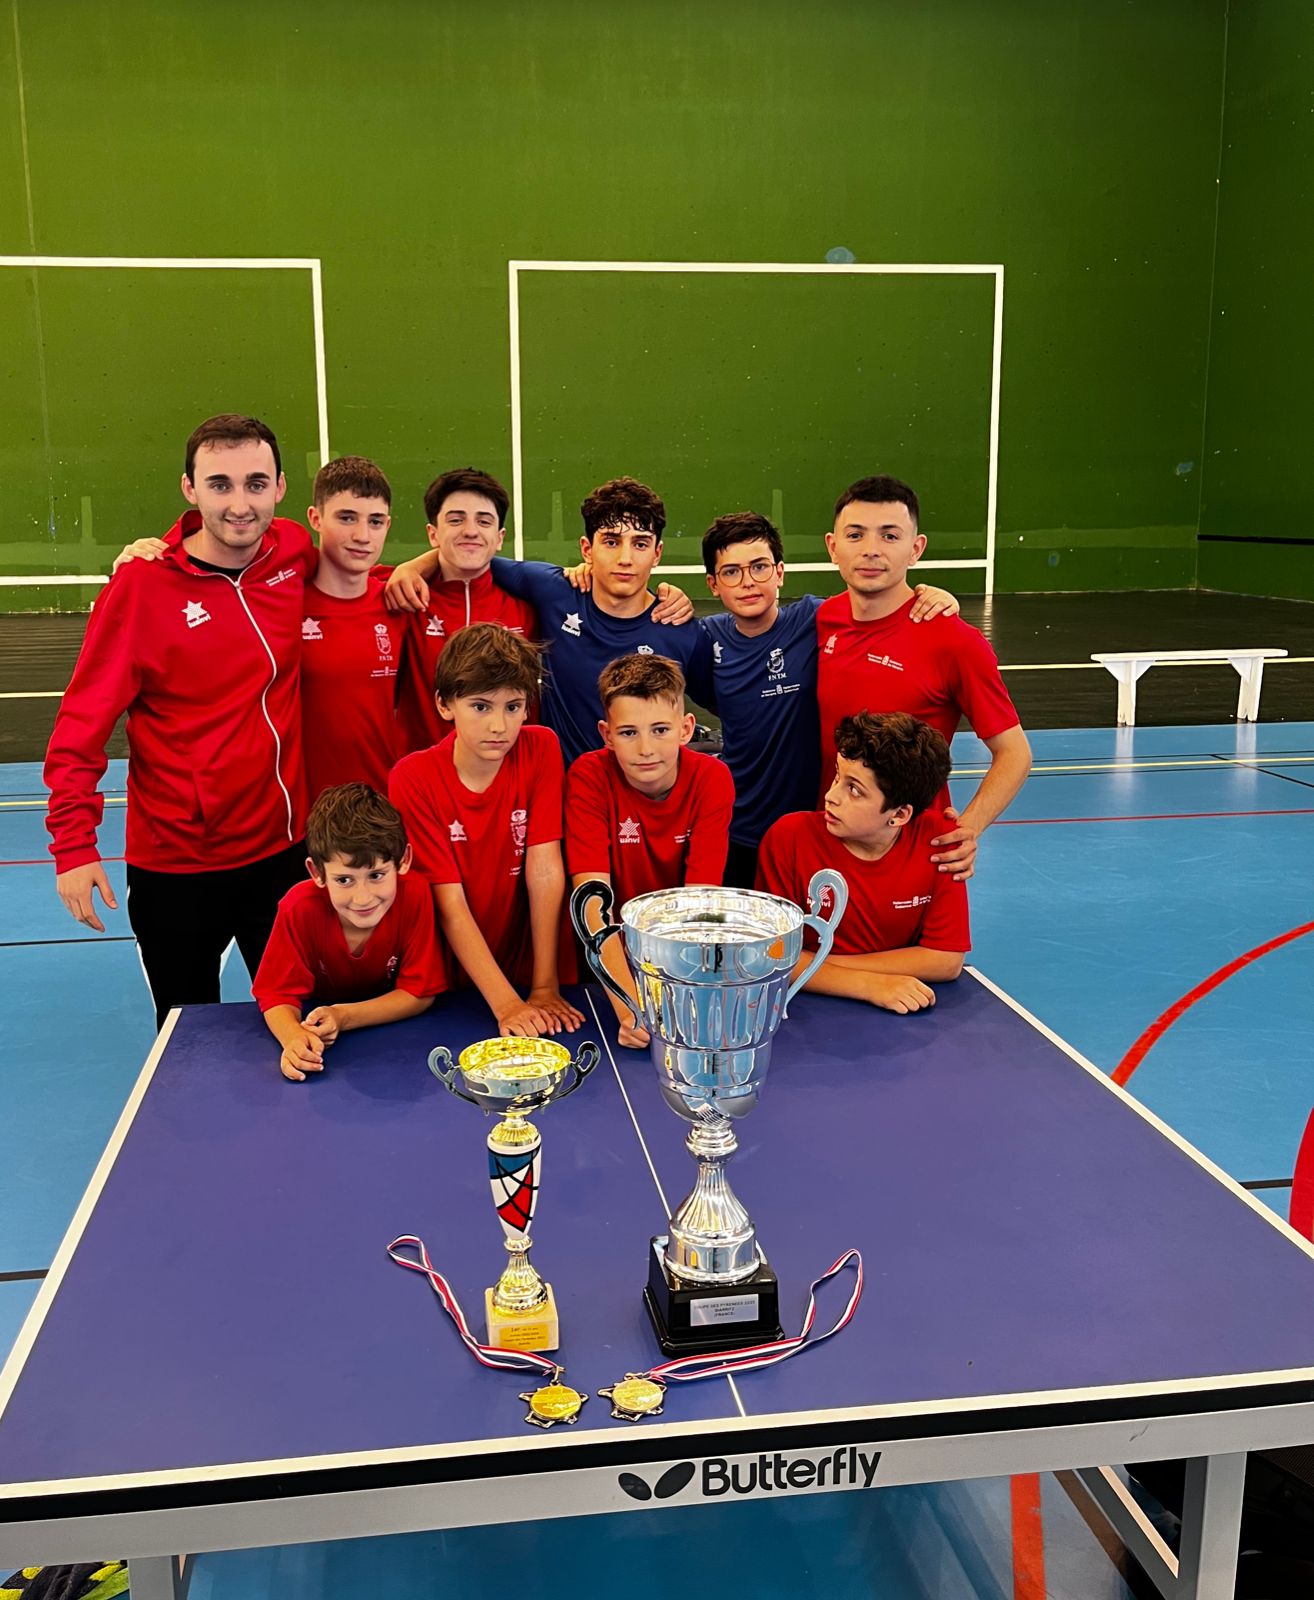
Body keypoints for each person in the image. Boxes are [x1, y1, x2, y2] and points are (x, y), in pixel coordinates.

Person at [44, 414, 313, 1030]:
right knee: (187, 1039)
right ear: (190, 490)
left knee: (305, 1024)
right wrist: (74, 847)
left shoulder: (292, 551)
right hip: (178, 868)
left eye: (255, 483)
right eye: (220, 484)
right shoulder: (141, 588)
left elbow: (364, 571)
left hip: (282, 856)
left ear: (279, 489)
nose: (239, 504)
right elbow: (80, 727)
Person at [700, 510, 960, 890]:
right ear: (713, 583)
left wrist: (930, 594)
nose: (748, 582)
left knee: (810, 937)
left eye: (759, 567)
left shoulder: (818, 617)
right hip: (738, 828)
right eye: (731, 572)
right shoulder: (705, 641)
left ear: (780, 572)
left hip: (819, 825)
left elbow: (878, 606)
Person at [389, 477, 709, 767]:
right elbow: (470, 555)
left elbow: (723, 705)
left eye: (640, 544)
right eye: (611, 541)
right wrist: (412, 568)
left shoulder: (681, 628)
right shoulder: (554, 591)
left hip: (646, 801)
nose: (625, 558)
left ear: (657, 553)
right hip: (567, 800)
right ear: (587, 549)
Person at [817, 475, 1032, 881]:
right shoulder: (820, 620)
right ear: (833, 547)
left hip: (913, 854)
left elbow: (1015, 752)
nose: (871, 550)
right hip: (825, 841)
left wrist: (968, 827)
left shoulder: (954, 641)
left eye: (890, 536)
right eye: (856, 534)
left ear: (916, 549)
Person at [388, 623, 582, 1039]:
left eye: (513, 706)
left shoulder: (541, 748)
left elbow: (545, 871)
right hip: (450, 974)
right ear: (445, 705)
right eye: (481, 706)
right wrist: (507, 1003)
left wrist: (543, 985)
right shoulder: (414, 778)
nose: (499, 725)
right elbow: (449, 902)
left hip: (525, 960)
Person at [566, 653, 735, 1046]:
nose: (645, 749)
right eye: (628, 733)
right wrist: (630, 1005)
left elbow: (699, 904)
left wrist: (674, 996)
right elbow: (593, 903)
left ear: (686, 727)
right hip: (607, 965)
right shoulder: (588, 777)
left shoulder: (713, 779)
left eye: (660, 729)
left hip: (679, 959)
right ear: (606, 734)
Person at [757, 712, 969, 1014]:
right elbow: (771, 956)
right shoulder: (788, 838)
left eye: (854, 790)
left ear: (899, 815)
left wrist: (813, 964)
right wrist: (869, 985)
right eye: (837, 776)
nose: (831, 796)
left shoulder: (941, 841)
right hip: (806, 1013)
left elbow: (946, 960)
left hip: (900, 1014)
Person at [253, 783, 447, 1082]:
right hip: (322, 1036)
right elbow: (277, 995)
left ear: (403, 860)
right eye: (344, 880)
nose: (363, 898)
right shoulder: (298, 908)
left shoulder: (416, 895)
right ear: (316, 873)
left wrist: (343, 1017)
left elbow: (419, 994)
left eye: (376, 875)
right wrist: (292, 1037)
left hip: (399, 1042)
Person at [393, 468, 537, 751]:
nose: (470, 530)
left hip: (506, 785)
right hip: (422, 785)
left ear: (500, 537)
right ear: (433, 534)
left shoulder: (529, 608)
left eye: (484, 521)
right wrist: (410, 568)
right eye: (456, 520)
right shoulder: (404, 597)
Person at [300, 456, 404, 800]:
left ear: (388, 525)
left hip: (382, 809)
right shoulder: (281, 602)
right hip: (303, 816)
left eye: (375, 521)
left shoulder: (401, 599)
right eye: (347, 518)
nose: (363, 535)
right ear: (315, 518)